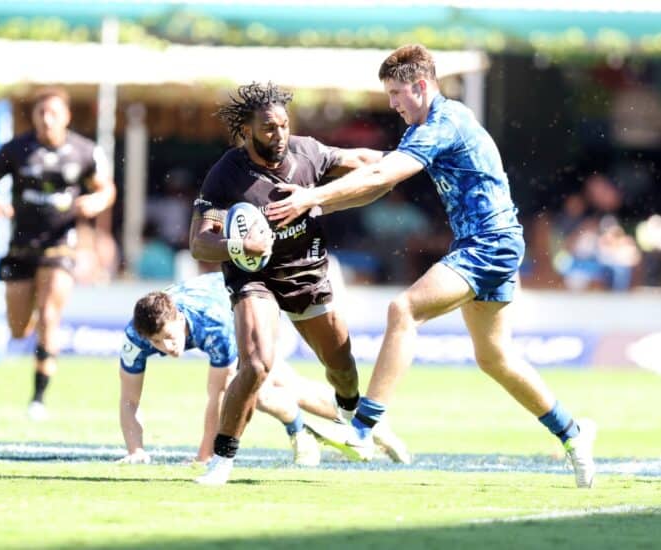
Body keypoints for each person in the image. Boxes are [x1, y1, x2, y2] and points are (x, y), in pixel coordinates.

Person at [266, 44, 596, 488]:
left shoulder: (445, 121)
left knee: (404, 309)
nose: (392, 103)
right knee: (495, 358)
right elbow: (379, 186)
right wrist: (317, 208)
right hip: (489, 243)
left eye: (396, 93)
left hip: (489, 243)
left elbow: (380, 175)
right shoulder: (425, 127)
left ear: (421, 86)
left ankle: (362, 430)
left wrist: (312, 195)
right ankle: (573, 433)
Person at [189, 82, 396, 485]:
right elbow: (199, 242)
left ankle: (353, 426)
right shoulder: (226, 174)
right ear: (246, 131)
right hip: (255, 277)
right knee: (255, 364)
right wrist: (238, 245)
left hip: (306, 273)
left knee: (342, 368)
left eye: (284, 125)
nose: (279, 135)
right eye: (269, 128)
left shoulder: (308, 153)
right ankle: (222, 461)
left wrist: (413, 158)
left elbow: (363, 161)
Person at [118, 272, 390, 467]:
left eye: (169, 337)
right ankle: (366, 424)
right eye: (156, 342)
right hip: (222, 301)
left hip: (249, 306)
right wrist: (135, 450)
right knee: (288, 384)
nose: (167, 347)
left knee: (260, 392)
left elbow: (220, 395)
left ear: (178, 318)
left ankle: (312, 430)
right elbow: (129, 399)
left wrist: (205, 456)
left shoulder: (213, 324)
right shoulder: (135, 337)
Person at [0, 86, 116, 420]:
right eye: (41, 112)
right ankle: (34, 322)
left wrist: (96, 201)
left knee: (50, 316)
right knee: (18, 329)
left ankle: (38, 398)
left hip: (61, 246)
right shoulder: (16, 149)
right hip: (21, 247)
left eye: (54, 112)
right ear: (34, 116)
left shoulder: (84, 151)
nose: (47, 119)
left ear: (66, 116)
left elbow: (107, 189)